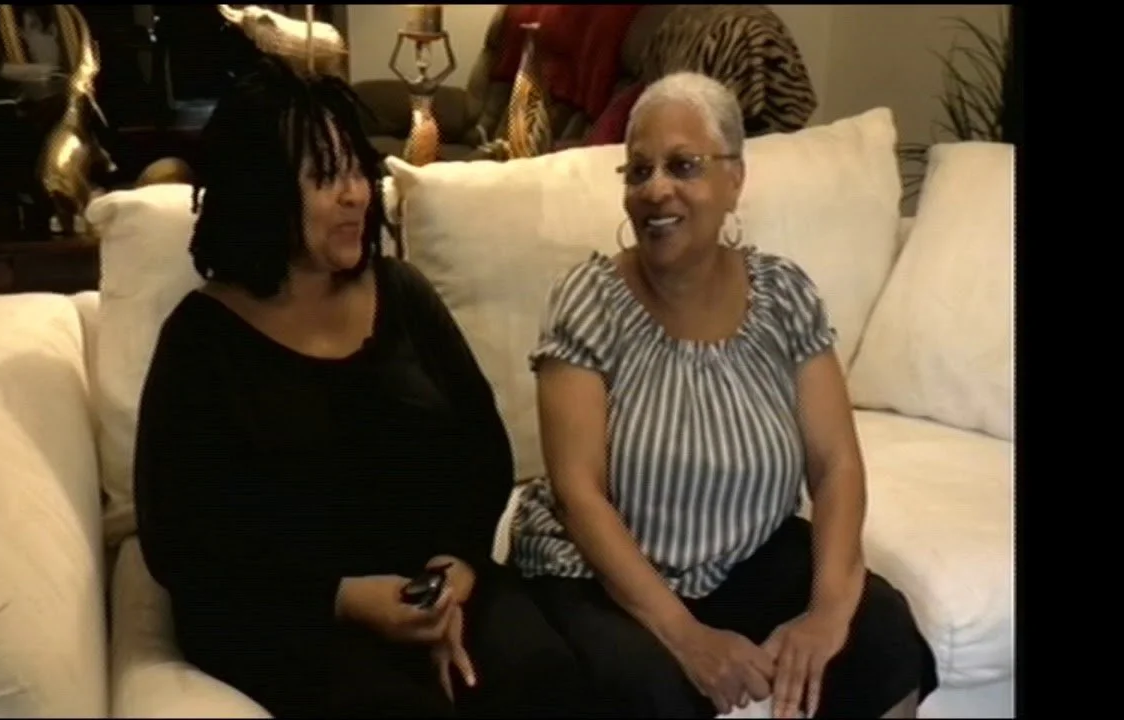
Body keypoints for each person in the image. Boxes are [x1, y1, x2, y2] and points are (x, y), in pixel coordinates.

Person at [133, 57, 582, 719]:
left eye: (357, 171)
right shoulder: (202, 341)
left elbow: (484, 454)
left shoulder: (401, 293)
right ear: (262, 193)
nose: (355, 194)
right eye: (325, 177)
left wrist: (453, 573)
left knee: (546, 678)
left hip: (436, 581)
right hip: (292, 614)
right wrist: (346, 599)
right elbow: (183, 539)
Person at [510, 71, 941, 719]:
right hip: (601, 571)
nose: (656, 188)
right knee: (647, 694)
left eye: (684, 166)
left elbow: (835, 465)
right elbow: (579, 494)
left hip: (746, 554)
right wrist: (685, 636)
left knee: (881, 636)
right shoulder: (589, 301)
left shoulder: (784, 296)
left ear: (735, 179)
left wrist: (827, 614)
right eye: (639, 171)